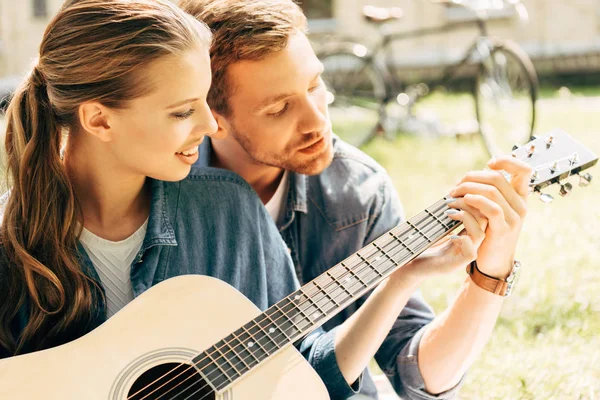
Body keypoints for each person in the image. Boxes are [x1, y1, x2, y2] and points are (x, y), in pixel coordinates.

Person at [0, 1, 417, 397]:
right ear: (99, 119)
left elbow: (301, 368)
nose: (211, 126)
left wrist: (401, 279)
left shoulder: (229, 211)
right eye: (183, 111)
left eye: (206, 101)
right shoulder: (11, 245)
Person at [179, 0, 533, 398]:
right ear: (213, 120)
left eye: (315, 85)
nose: (317, 122)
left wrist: (491, 271)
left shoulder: (358, 193)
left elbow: (421, 378)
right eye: (279, 108)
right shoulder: (164, 194)